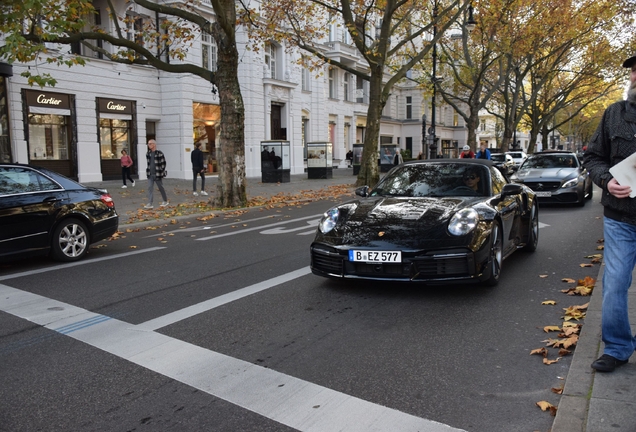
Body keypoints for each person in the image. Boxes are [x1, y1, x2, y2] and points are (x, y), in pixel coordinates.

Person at [584, 53, 636, 373]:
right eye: (634, 71)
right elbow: (592, 158)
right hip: (620, 217)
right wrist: (606, 180)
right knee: (615, 282)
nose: (635, 76)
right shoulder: (613, 114)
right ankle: (617, 347)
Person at [144, 139, 169, 209]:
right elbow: (148, 163)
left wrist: (161, 171)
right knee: (150, 188)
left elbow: (163, 163)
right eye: (148, 144)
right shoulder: (148, 153)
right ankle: (150, 203)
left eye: (150, 144)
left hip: (158, 174)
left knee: (161, 187)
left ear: (154, 144)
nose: (149, 145)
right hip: (150, 174)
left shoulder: (159, 153)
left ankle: (165, 200)